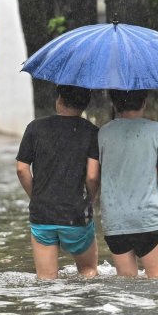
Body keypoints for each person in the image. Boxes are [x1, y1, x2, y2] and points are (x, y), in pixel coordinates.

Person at [16, 85, 100, 279]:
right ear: (85, 103)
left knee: (46, 280)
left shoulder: (35, 128)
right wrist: (90, 199)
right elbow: (93, 176)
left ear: (59, 100)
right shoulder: (92, 132)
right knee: (88, 271)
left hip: (42, 215)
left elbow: (22, 169)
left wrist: (36, 196)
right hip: (76, 214)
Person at [98, 89, 158, 278]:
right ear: (144, 102)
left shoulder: (103, 132)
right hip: (147, 217)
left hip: (115, 220)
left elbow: (95, 175)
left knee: (126, 282)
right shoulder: (157, 130)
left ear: (115, 104)